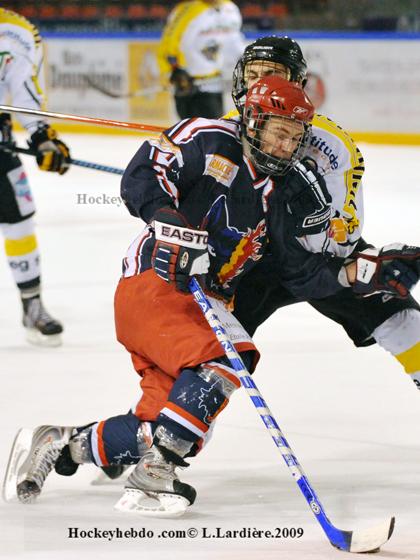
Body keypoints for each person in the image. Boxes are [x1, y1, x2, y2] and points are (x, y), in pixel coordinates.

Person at [5, 76, 419, 516]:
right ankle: (153, 476)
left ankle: (60, 444)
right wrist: (169, 222)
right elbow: (144, 174)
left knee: (163, 425)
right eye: (278, 132)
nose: (285, 146)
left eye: (295, 138)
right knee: (227, 357)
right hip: (157, 283)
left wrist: (359, 273)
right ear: (253, 122)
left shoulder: (290, 193)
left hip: (204, 306)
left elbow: (302, 274)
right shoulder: (208, 138)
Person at [227, 35, 420, 391]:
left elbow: (341, 235)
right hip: (252, 261)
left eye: (272, 73)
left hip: (320, 257)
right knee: (210, 350)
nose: (260, 82)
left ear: (298, 82)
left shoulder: (330, 145)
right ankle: (162, 432)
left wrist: (354, 270)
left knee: (403, 317)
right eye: (253, 74)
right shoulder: (219, 133)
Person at [0, 8, 71, 346]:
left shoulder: (16, 32)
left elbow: (26, 89)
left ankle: (32, 306)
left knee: (20, 221)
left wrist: (41, 135)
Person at [157, 0, 245, 119]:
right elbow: (167, 46)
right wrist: (174, 71)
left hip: (215, 84)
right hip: (190, 87)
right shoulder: (187, 10)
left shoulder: (230, 9)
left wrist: (248, 64)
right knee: (194, 133)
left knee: (214, 130)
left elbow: (234, 43)